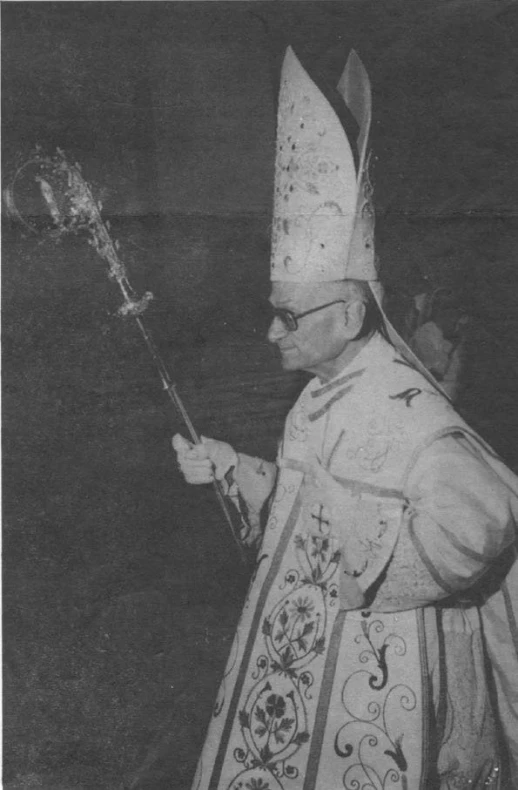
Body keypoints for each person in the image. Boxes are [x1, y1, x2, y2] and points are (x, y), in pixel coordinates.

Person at [173, 46, 518, 790]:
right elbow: (304, 514)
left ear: (353, 312)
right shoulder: (316, 400)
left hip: (387, 683)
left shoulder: (404, 406)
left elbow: (488, 517)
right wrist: (234, 465)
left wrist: (381, 578)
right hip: (300, 669)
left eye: (286, 315)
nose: (272, 333)